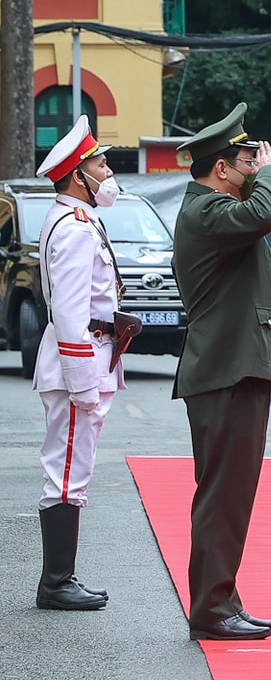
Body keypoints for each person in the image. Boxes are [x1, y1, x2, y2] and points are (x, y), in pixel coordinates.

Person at [171, 104, 271, 641]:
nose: (256, 166)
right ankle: (212, 609)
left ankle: (221, 600)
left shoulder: (219, 211)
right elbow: (265, 213)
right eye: (247, 160)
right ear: (221, 168)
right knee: (223, 494)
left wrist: (262, 178)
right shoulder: (206, 212)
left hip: (233, 370)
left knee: (230, 493)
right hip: (224, 371)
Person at [30, 117, 122, 611]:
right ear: (76, 175)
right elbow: (68, 313)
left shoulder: (80, 221)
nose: (108, 172)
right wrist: (84, 380)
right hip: (76, 364)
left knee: (73, 468)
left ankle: (61, 578)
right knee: (66, 471)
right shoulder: (73, 228)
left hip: (87, 358)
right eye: (100, 164)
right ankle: (56, 582)